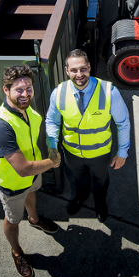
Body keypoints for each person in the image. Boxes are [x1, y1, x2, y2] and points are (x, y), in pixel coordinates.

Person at [0, 64, 61, 277]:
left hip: (34, 173)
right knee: (12, 219)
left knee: (32, 193)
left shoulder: (27, 108)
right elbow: (22, 169)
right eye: (19, 89)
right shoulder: (0, 125)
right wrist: (52, 162)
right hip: (13, 182)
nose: (25, 94)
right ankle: (17, 252)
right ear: (6, 90)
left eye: (28, 88)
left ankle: (34, 218)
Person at [46, 49, 131, 223]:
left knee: (101, 181)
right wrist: (52, 145)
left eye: (83, 69)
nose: (79, 74)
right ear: (67, 70)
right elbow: (52, 121)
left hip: (100, 153)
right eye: (74, 70)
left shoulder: (109, 92)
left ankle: (100, 202)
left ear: (89, 67)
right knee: (80, 179)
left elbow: (123, 123)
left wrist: (122, 153)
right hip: (72, 153)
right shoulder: (59, 93)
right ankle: (81, 197)